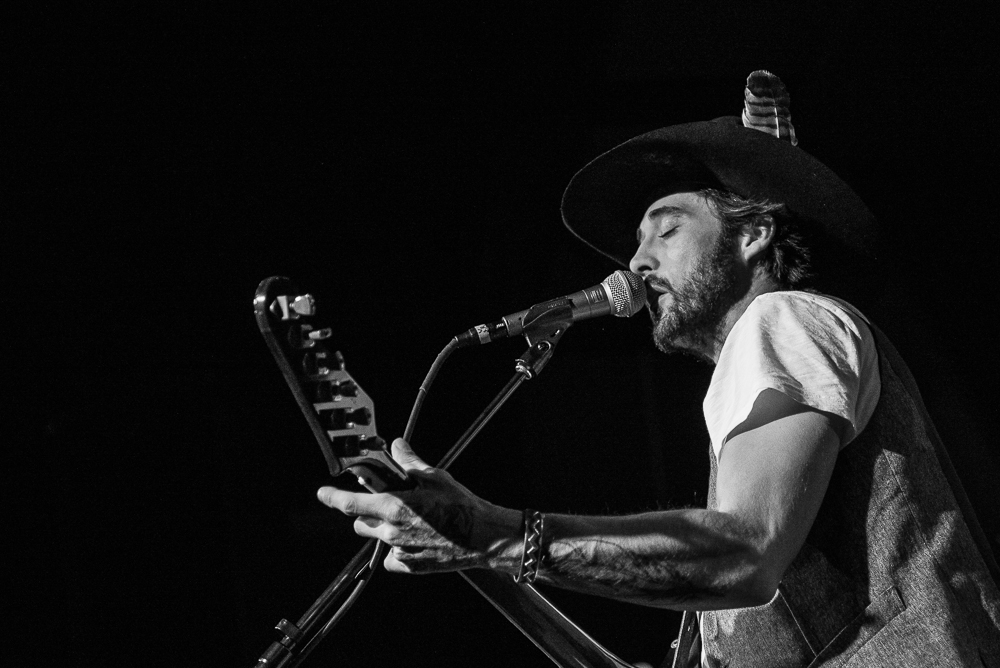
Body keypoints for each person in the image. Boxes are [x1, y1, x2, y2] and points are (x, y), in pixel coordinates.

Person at [317, 71, 1000, 666]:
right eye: (638, 243)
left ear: (755, 232)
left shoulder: (782, 319)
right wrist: (471, 541)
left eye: (665, 229)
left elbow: (744, 552)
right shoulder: (763, 374)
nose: (637, 264)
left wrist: (492, 532)